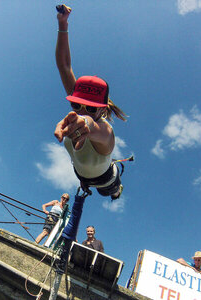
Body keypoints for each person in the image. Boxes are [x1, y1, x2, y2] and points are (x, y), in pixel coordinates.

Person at [54, 5, 127, 200]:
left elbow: (93, 128)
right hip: (83, 177)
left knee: (110, 193)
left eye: (91, 108)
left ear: (101, 109)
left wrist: (85, 124)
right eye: (76, 105)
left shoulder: (106, 132)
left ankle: (118, 190)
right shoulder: (79, 105)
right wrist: (63, 24)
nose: (82, 110)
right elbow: (64, 65)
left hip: (106, 179)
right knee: (95, 189)